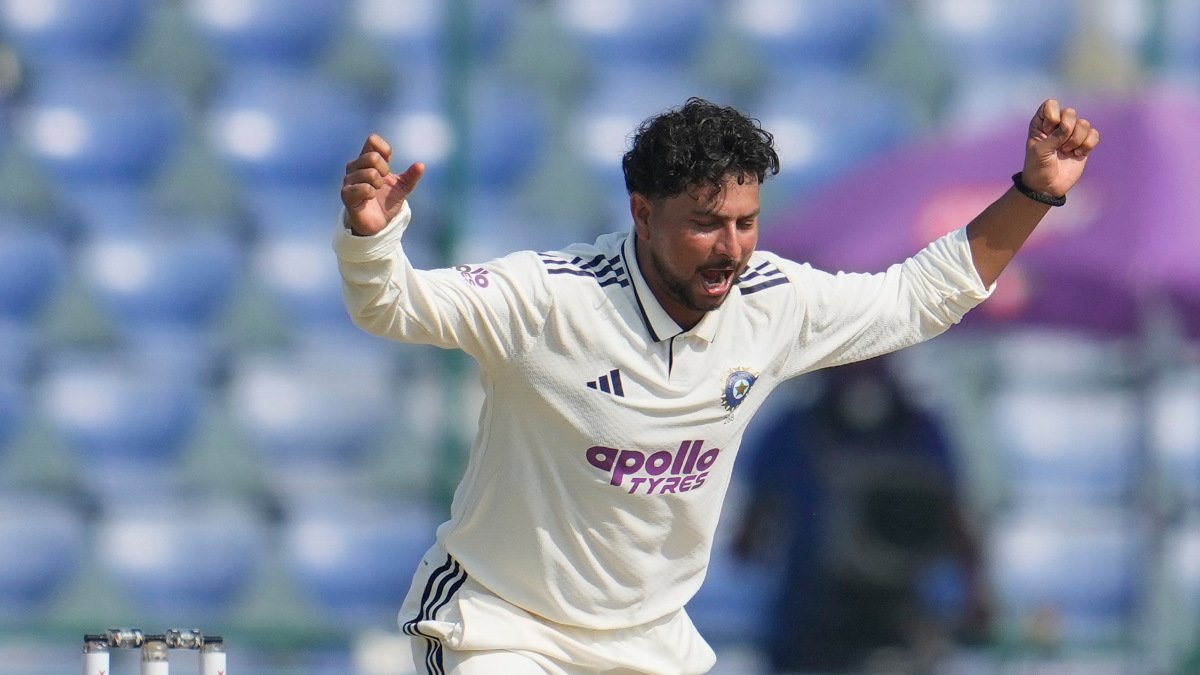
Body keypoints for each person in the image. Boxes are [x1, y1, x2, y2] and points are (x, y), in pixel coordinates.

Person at [334, 97, 1098, 675]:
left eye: (745, 221)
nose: (730, 249)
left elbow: (920, 298)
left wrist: (1034, 192)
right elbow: (394, 305)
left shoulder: (771, 302)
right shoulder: (549, 297)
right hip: (503, 628)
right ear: (642, 212)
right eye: (706, 223)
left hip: (650, 643)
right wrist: (372, 238)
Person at [733, 356, 989, 674]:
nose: (859, 366)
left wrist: (977, 592)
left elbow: (955, 515)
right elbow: (746, 539)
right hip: (808, 621)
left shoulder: (921, 428)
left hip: (900, 620)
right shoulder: (791, 431)